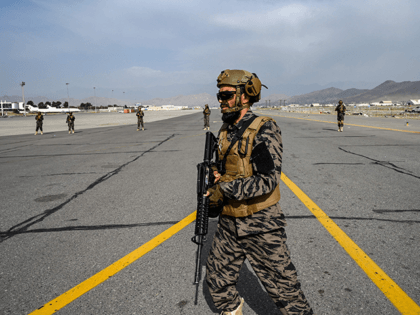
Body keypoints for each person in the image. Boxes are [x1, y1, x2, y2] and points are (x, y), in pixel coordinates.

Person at [205, 69, 314, 315]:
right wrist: (213, 175)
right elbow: (225, 167)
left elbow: (268, 180)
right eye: (219, 95)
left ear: (246, 95)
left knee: (286, 292)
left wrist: (224, 189)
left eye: (227, 95)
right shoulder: (225, 129)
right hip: (229, 220)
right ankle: (232, 310)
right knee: (217, 278)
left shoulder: (263, 129)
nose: (221, 101)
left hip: (261, 223)